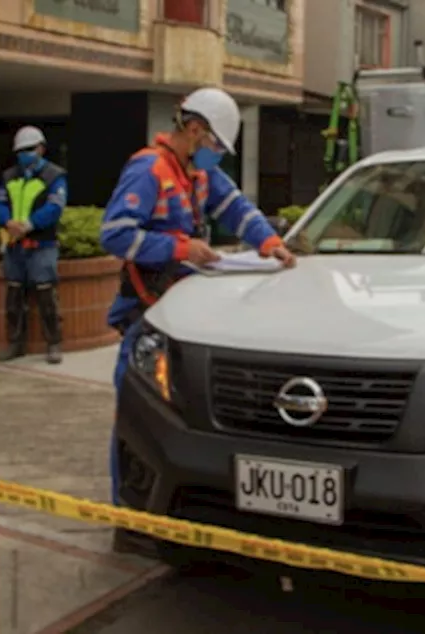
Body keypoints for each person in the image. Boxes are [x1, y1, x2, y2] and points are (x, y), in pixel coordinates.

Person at [98, 87, 296, 502]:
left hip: (183, 310)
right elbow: (114, 235)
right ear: (193, 130)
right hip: (145, 314)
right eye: (215, 146)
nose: (217, 155)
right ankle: (127, 511)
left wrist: (269, 244)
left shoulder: (199, 174)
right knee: (137, 416)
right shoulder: (148, 170)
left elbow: (236, 208)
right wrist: (181, 249)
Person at [0, 125, 68, 364]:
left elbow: (55, 208)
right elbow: (0, 203)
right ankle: (15, 344)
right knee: (14, 295)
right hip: (15, 246)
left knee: (47, 294)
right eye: (20, 150)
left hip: (42, 244)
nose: (24, 154)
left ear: (41, 148)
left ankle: (54, 343)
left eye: (29, 149)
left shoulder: (55, 176)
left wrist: (29, 224)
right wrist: (8, 223)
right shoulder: (9, 176)